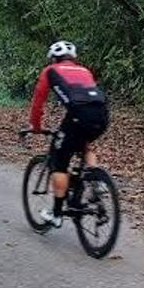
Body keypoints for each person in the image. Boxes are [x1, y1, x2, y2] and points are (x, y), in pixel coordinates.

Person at [28, 40, 109, 227]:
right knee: (84, 143)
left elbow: (38, 102)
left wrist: (36, 126)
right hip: (102, 115)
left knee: (59, 162)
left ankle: (56, 214)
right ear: (73, 57)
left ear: (54, 58)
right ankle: (96, 180)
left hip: (78, 116)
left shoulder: (50, 71)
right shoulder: (84, 70)